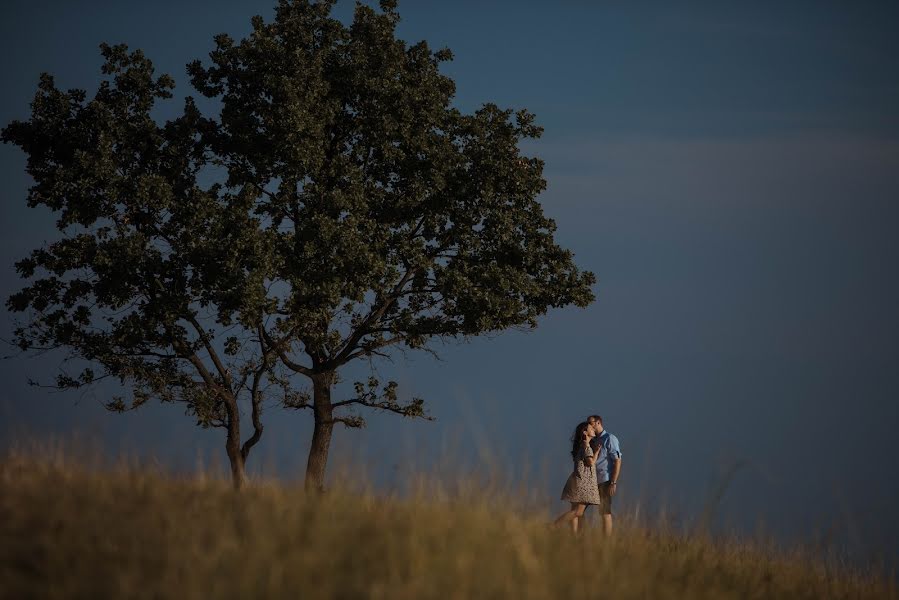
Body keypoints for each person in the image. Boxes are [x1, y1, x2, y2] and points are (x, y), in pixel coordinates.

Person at [553, 421, 601, 534]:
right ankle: (554, 525)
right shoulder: (585, 444)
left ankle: (573, 537)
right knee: (578, 512)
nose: (593, 429)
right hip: (583, 483)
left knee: (574, 511)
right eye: (591, 428)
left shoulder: (582, 445)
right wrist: (597, 452)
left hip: (577, 481)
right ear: (585, 432)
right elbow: (590, 462)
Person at [587, 414, 622, 536]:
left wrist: (613, 482)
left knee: (605, 512)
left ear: (598, 423)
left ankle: (606, 541)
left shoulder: (610, 438)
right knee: (580, 509)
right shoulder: (594, 440)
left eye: (590, 422)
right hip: (593, 480)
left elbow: (617, 460)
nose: (588, 425)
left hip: (605, 480)